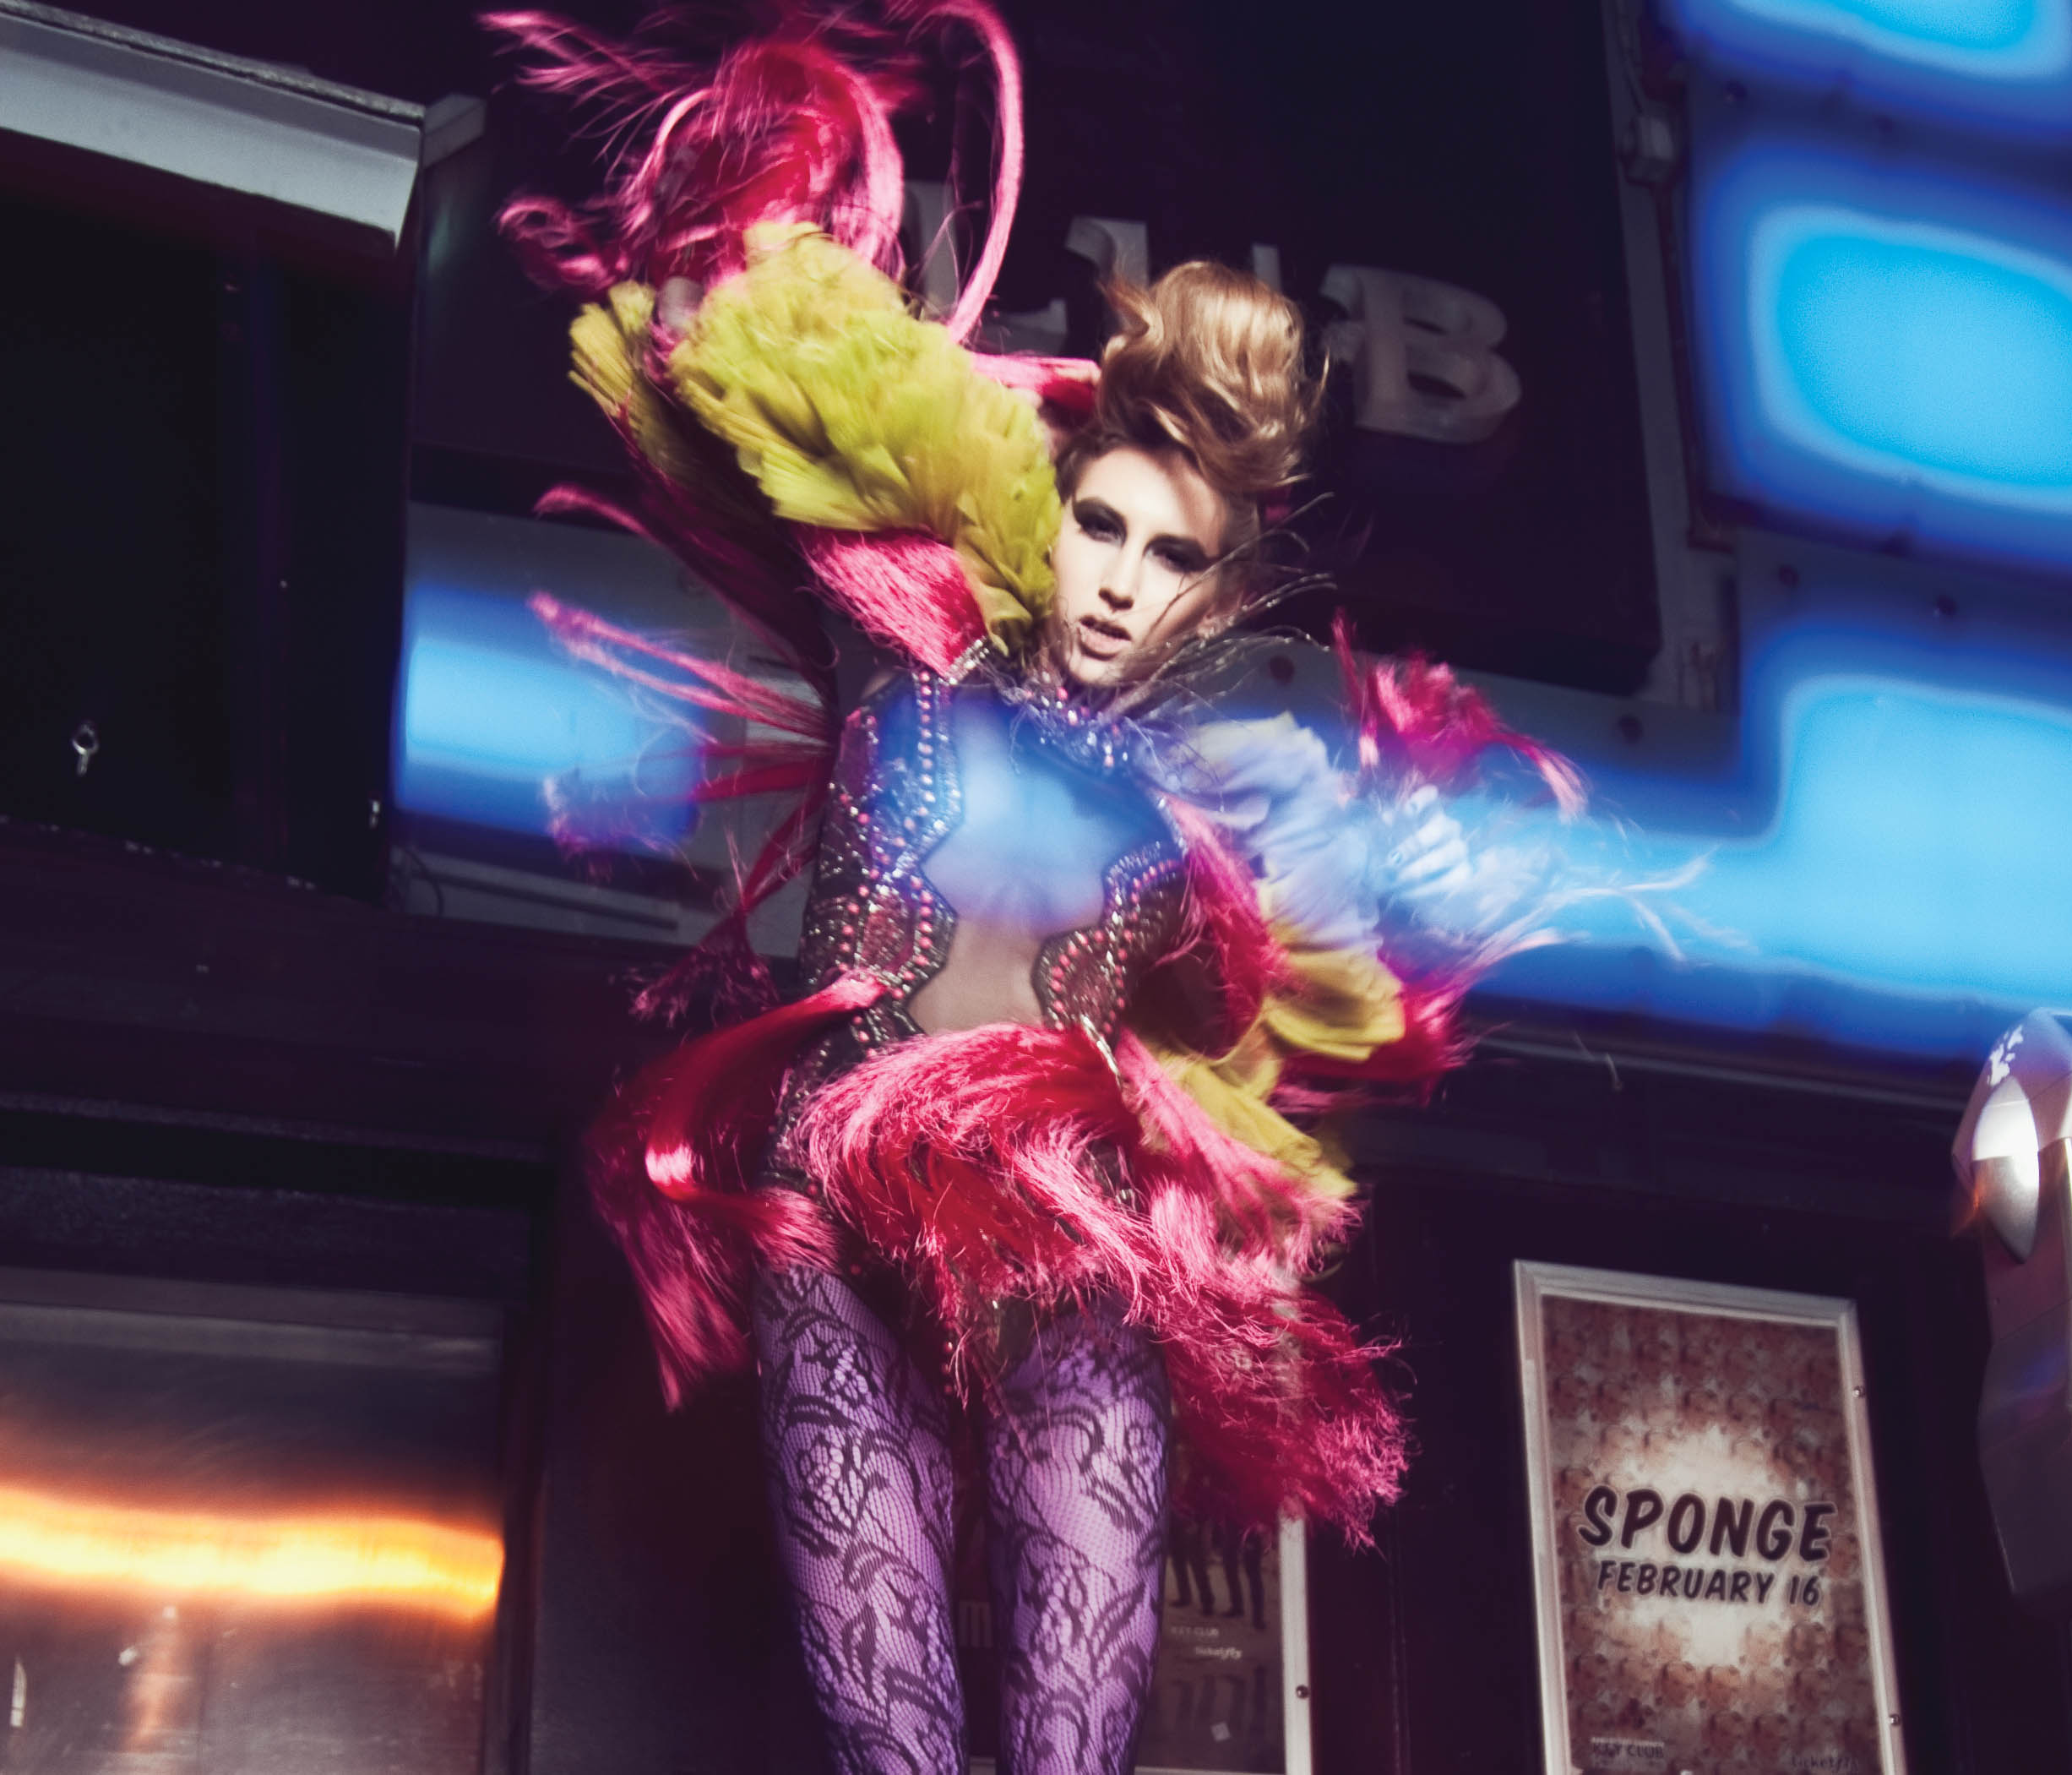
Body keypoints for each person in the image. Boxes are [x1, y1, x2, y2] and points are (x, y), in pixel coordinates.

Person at [492, 6, 1585, 1769]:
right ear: (1054, 513)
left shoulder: (1205, 825)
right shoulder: (900, 647)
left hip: (1066, 1249)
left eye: (1172, 557)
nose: (1119, 580)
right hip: (842, 1211)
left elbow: (1305, 1022)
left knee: (1077, 1743)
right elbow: (730, 377)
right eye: (1102, 526)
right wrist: (784, 287)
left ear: (1214, 596)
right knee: (891, 1743)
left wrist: (1402, 876)